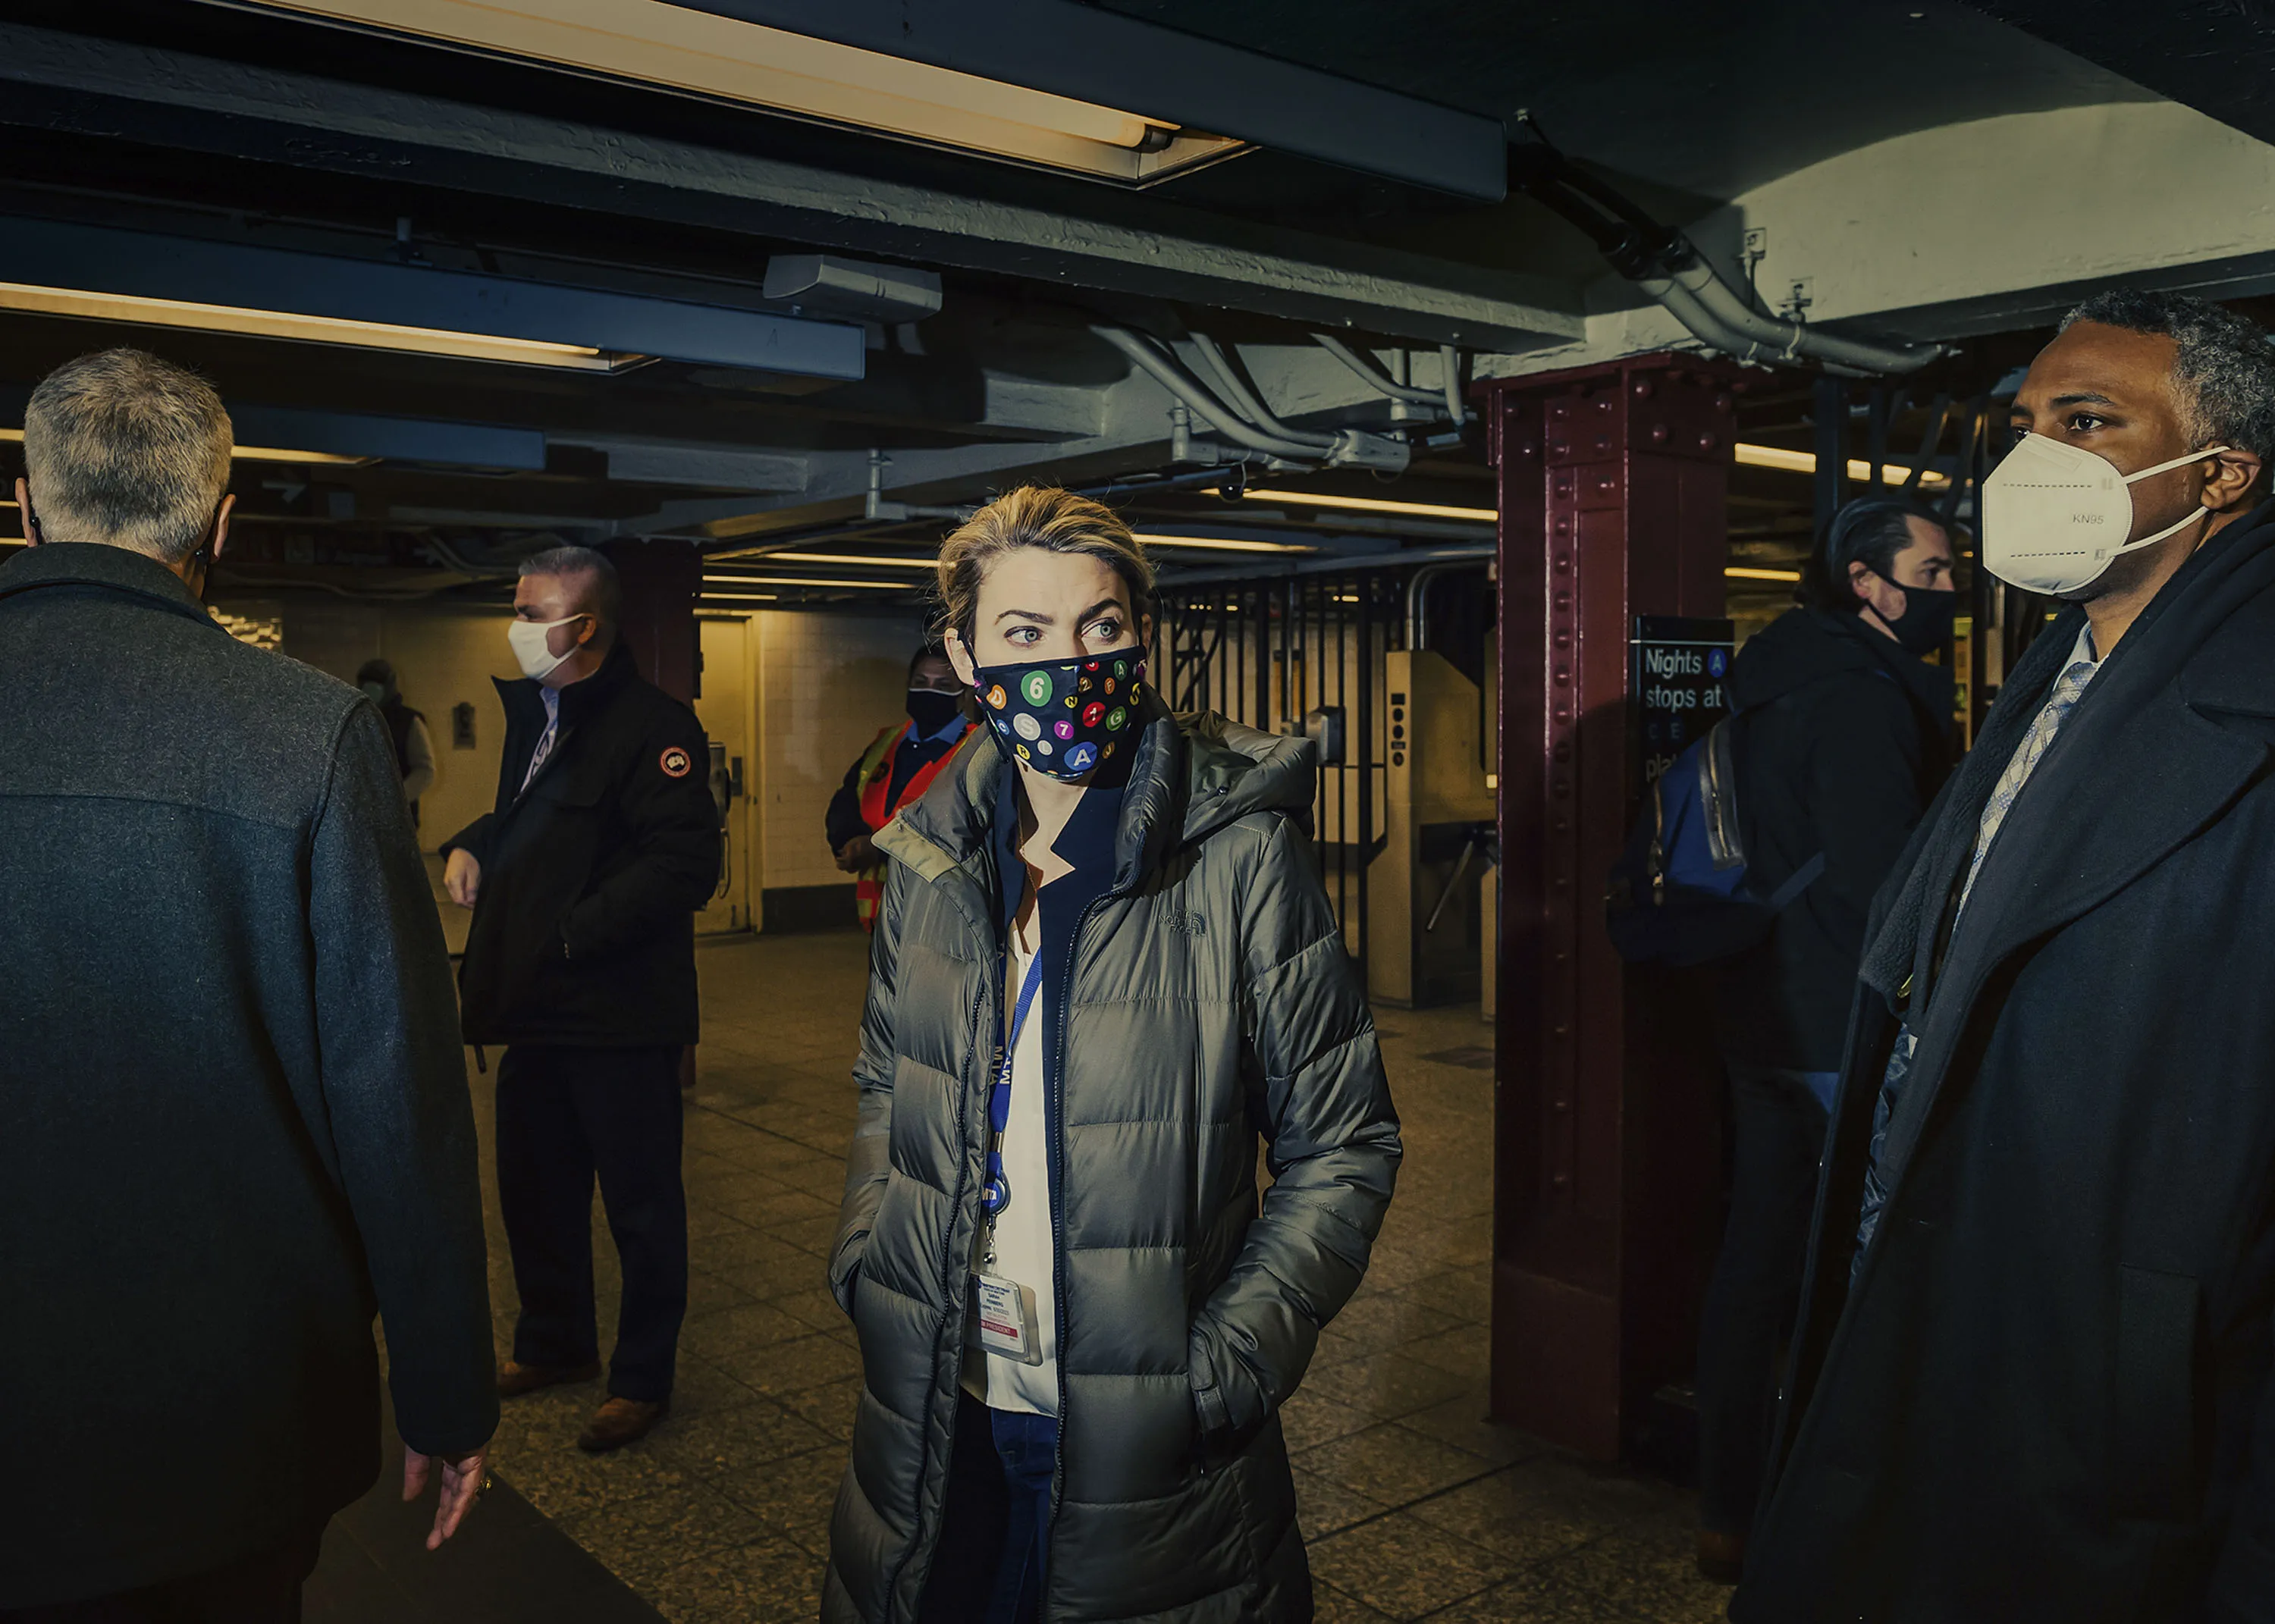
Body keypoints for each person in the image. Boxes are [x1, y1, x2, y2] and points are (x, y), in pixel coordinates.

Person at [1735, 291, 2275, 1620]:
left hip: (2119, 1353)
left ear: (2221, 475)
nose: (2033, 460)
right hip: (1957, 1262)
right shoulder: (2057, 671)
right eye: (2024, 423)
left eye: (2088, 422)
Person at [823, 487, 1401, 1623]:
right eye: (1026, 635)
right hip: (943, 1396)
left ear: (1143, 634)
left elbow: (1344, 1143)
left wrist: (1220, 1367)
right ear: (965, 652)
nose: (1067, 663)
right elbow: (888, 1082)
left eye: (1100, 627)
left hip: (1146, 1429)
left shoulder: (1235, 861)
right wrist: (867, 1260)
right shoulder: (932, 862)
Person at [0, 350, 494, 1620]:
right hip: (228, 1429)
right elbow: (399, 1094)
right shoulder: (306, 733)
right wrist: (443, 1388)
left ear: (24, 501)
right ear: (225, 519)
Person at [1693, 497, 1956, 1582]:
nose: (1953, 590)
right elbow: (1880, 881)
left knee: (1759, 1252)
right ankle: (1828, 1502)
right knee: (1857, 1259)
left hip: (1759, 1001)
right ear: (1870, 582)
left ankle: (1731, 1505)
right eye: (1936, 571)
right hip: (1833, 1019)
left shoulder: (1775, 677)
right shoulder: (1859, 697)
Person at [441, 546, 720, 1455]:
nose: (517, 627)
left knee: (640, 1207)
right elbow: (533, 819)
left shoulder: (654, 728)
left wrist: (566, 933)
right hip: (537, 1012)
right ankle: (554, 1343)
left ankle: (641, 1379)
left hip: (618, 1015)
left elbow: (683, 864)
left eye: (533, 612)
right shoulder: (541, 717)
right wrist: (474, 840)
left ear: (584, 627)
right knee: (534, 1190)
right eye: (516, 607)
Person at [826, 642, 977, 930]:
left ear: (964, 693)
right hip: (880, 920)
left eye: (943, 685)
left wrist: (879, 849)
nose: (930, 691)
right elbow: (847, 800)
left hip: (938, 922)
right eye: (921, 682)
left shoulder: (973, 751)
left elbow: (958, 831)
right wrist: (847, 840)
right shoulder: (888, 741)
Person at [356, 657, 437, 825]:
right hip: (361, 818)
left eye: (376, 685)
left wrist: (395, 800)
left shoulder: (409, 722)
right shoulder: (357, 720)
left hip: (399, 820)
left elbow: (425, 770)